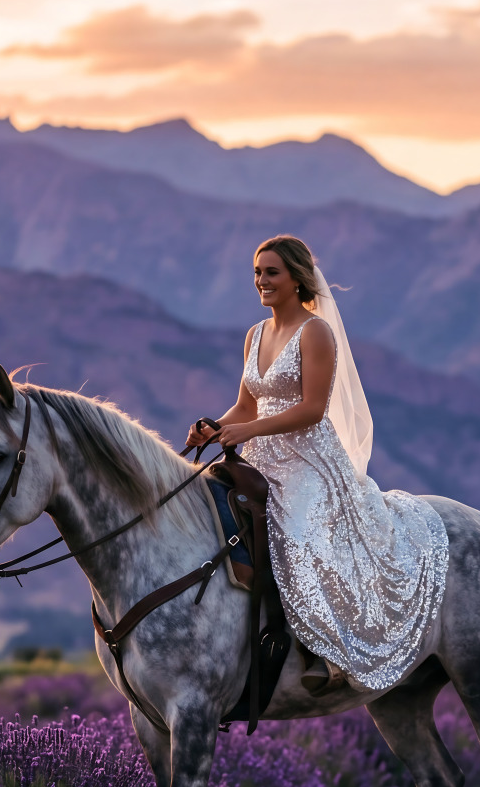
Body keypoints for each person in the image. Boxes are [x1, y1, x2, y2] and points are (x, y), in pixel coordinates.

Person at [188, 235, 448, 695]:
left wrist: (248, 431)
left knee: (301, 535)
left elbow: (312, 409)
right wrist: (215, 427)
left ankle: (328, 653)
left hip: (310, 460)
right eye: (256, 272)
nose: (261, 281)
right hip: (262, 459)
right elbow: (247, 406)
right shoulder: (255, 335)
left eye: (272, 272)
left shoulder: (315, 332)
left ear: (295, 278)